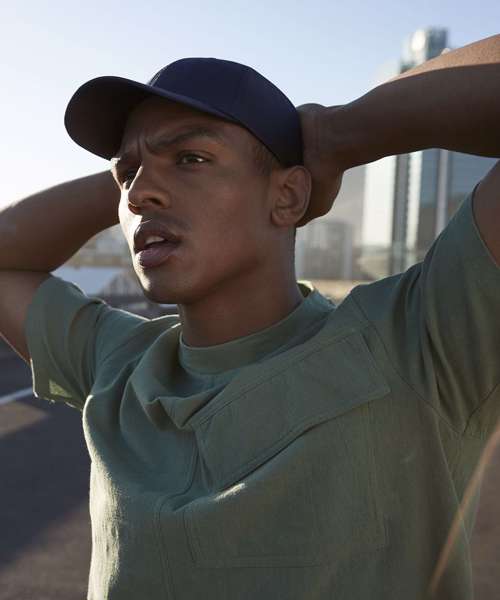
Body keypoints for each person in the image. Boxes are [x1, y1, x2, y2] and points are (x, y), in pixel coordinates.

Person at [0, 34, 499, 600]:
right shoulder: (117, 362)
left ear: (287, 197)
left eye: (192, 158)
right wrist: (137, 176)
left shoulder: (417, 342)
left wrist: (336, 134)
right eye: (128, 176)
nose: (138, 196)